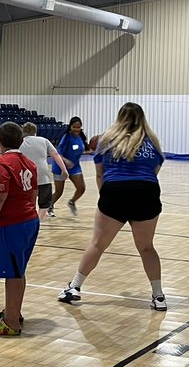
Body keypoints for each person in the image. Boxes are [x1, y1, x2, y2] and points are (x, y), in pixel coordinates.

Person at [58, 102, 167, 311]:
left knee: (98, 244)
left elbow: (100, 174)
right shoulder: (152, 142)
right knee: (146, 247)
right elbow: (154, 173)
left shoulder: (106, 141)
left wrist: (106, 197)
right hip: (147, 192)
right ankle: (159, 296)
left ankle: (74, 287)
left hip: (115, 191)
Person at [0, 122, 40, 337]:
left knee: (13, 274)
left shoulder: (2, 165)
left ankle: (11, 322)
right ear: (22, 141)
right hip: (29, 221)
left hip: (11, 224)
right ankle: (13, 310)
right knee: (18, 270)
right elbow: (33, 193)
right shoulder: (29, 163)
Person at [20, 122, 70, 221]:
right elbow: (55, 154)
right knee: (45, 203)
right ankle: (38, 220)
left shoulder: (19, 142)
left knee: (28, 202)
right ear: (35, 132)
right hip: (43, 177)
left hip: (25, 178)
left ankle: (28, 220)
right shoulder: (44, 140)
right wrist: (64, 169)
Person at [50, 117, 88, 216]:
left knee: (81, 188)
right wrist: (66, 161)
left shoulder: (81, 137)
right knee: (59, 192)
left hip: (74, 167)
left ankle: (72, 202)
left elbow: (84, 149)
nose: (76, 129)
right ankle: (49, 206)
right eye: (74, 127)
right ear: (70, 127)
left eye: (78, 127)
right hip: (60, 167)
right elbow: (58, 153)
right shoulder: (66, 137)